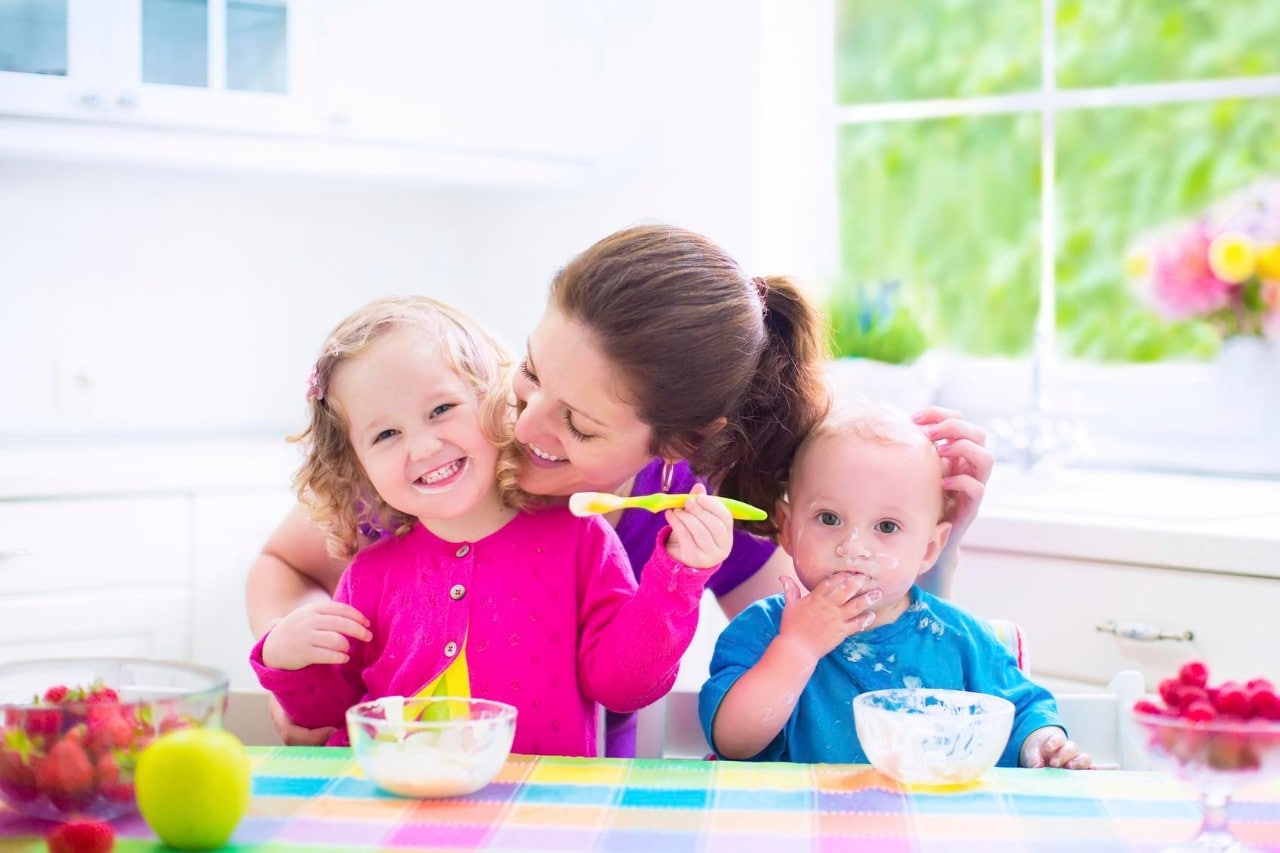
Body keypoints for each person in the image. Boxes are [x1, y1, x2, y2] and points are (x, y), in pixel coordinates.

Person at [245, 223, 995, 750]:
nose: (525, 421)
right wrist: (309, 662)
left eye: (578, 423)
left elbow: (838, 658)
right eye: (531, 370)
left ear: (678, 448)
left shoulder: (685, 509)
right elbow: (284, 565)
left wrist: (940, 550)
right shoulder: (432, 462)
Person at [250, 295, 732, 756]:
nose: (421, 448)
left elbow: (626, 686)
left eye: (442, 409)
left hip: (534, 812)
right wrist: (286, 659)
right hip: (388, 810)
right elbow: (325, 717)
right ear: (356, 465)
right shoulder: (368, 575)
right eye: (386, 434)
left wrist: (678, 579)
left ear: (496, 401)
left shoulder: (580, 541)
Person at [698, 403, 1091, 770]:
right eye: (829, 518)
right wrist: (797, 648)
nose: (853, 547)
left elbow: (1022, 709)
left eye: (887, 527)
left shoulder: (959, 637)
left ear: (930, 548)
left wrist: (1041, 741)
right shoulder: (764, 630)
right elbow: (734, 743)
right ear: (786, 527)